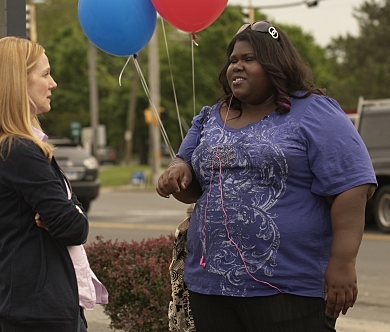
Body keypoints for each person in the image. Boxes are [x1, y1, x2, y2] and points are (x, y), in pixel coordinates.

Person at [157, 21, 377, 332]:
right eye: (233, 60)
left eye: (249, 59)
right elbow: (191, 187)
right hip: (211, 287)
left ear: (275, 65)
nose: (238, 66)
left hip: (289, 289)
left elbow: (352, 186)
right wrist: (176, 176)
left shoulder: (315, 112)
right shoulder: (209, 117)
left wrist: (342, 264)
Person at [0, 36, 107, 332]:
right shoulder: (18, 151)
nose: (53, 83)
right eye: (45, 74)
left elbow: (68, 215)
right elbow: (74, 227)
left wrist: (67, 211)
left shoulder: (12, 148)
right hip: (40, 313)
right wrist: (70, 213)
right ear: (17, 83)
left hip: (32, 307)